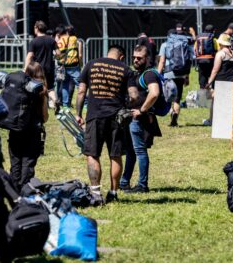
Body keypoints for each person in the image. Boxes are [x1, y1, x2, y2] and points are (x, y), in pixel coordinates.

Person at [76, 45, 132, 204]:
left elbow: (81, 92)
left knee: (93, 154)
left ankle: (95, 194)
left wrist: (79, 114)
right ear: (121, 56)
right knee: (115, 155)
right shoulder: (125, 69)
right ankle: (113, 192)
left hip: (95, 115)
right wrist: (128, 107)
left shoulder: (91, 64)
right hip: (117, 118)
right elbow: (133, 95)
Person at [120, 45, 162, 194]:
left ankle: (142, 185)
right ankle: (124, 182)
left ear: (148, 58)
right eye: (134, 57)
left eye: (140, 58)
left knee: (139, 151)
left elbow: (155, 93)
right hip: (133, 118)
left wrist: (142, 110)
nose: (136, 60)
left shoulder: (149, 75)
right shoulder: (138, 73)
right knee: (131, 151)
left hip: (140, 119)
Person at [7, 62, 49, 190]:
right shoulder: (41, 90)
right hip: (33, 131)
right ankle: (25, 190)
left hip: (16, 128)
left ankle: (14, 191)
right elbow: (45, 117)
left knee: (15, 162)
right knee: (28, 163)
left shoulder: (18, 88)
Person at [158, 29, 194, 127]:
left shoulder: (165, 45)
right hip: (181, 74)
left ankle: (171, 111)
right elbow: (188, 61)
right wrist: (187, 76)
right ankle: (174, 119)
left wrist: (158, 74)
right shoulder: (184, 44)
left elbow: (161, 61)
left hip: (168, 72)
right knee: (177, 99)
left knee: (168, 95)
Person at [203, 34, 233, 126]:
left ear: (221, 43)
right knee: (230, 102)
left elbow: (215, 70)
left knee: (216, 102)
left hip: (221, 81)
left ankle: (212, 120)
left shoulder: (220, 54)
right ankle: (230, 120)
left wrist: (209, 82)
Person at [25, 21, 60, 107]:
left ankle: (38, 104)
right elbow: (58, 53)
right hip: (50, 68)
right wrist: (54, 58)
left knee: (36, 86)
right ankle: (55, 101)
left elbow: (30, 56)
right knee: (50, 87)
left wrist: (25, 68)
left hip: (37, 68)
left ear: (37, 28)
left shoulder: (34, 41)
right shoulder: (51, 40)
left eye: (34, 27)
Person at [58, 25, 82, 109]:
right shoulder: (75, 39)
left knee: (65, 84)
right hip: (73, 65)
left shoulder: (61, 39)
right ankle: (85, 104)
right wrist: (81, 64)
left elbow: (58, 53)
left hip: (64, 65)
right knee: (80, 84)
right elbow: (80, 54)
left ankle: (65, 104)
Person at [194, 24, 218, 90]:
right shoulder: (214, 39)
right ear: (212, 31)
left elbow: (195, 49)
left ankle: (202, 90)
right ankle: (212, 89)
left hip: (200, 61)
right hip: (210, 60)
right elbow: (217, 50)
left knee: (202, 76)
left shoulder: (199, 38)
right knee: (211, 75)